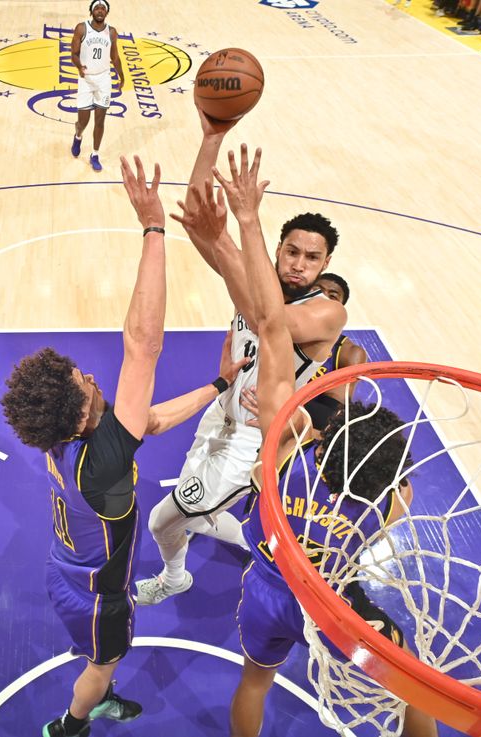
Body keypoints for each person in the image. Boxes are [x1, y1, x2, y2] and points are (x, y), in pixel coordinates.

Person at [0, 156, 246, 737]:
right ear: (84, 411)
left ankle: (93, 694)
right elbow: (143, 345)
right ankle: (74, 722)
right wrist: (154, 228)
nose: (90, 374)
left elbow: (151, 421)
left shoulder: (65, 440)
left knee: (98, 654)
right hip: (98, 595)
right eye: (86, 380)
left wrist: (220, 385)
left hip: (68, 570)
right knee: (101, 662)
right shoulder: (103, 459)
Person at [215, 144, 438, 737]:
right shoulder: (389, 503)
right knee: (414, 680)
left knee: (253, 681)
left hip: (273, 561)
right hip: (333, 594)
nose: (301, 264)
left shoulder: (283, 458)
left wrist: (240, 222)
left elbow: (272, 340)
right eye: (294, 252)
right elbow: (399, 489)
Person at [134, 109, 347, 607]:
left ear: (325, 265)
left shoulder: (326, 313)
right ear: (278, 248)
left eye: (311, 258)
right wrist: (213, 137)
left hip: (255, 435)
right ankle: (268, 538)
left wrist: (231, 231)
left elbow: (266, 316)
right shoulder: (257, 275)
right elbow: (198, 219)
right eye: (291, 251)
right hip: (223, 407)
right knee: (201, 508)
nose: (298, 264)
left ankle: (175, 576)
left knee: (163, 519)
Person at [239, 272, 369, 429]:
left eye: (332, 297)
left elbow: (330, 417)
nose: (324, 299)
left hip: (293, 427)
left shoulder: (349, 353)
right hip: (245, 409)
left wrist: (278, 408)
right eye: (317, 291)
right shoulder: (278, 326)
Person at [70, 0, 124, 172]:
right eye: (97, 8)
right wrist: (79, 66)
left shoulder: (112, 32)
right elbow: (73, 54)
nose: (100, 11)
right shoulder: (81, 28)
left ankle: (95, 154)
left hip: (103, 80)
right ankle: (78, 135)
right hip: (86, 79)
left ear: (106, 13)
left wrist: (121, 76)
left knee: (100, 120)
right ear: (91, 11)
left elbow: (115, 57)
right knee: (83, 121)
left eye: (103, 8)